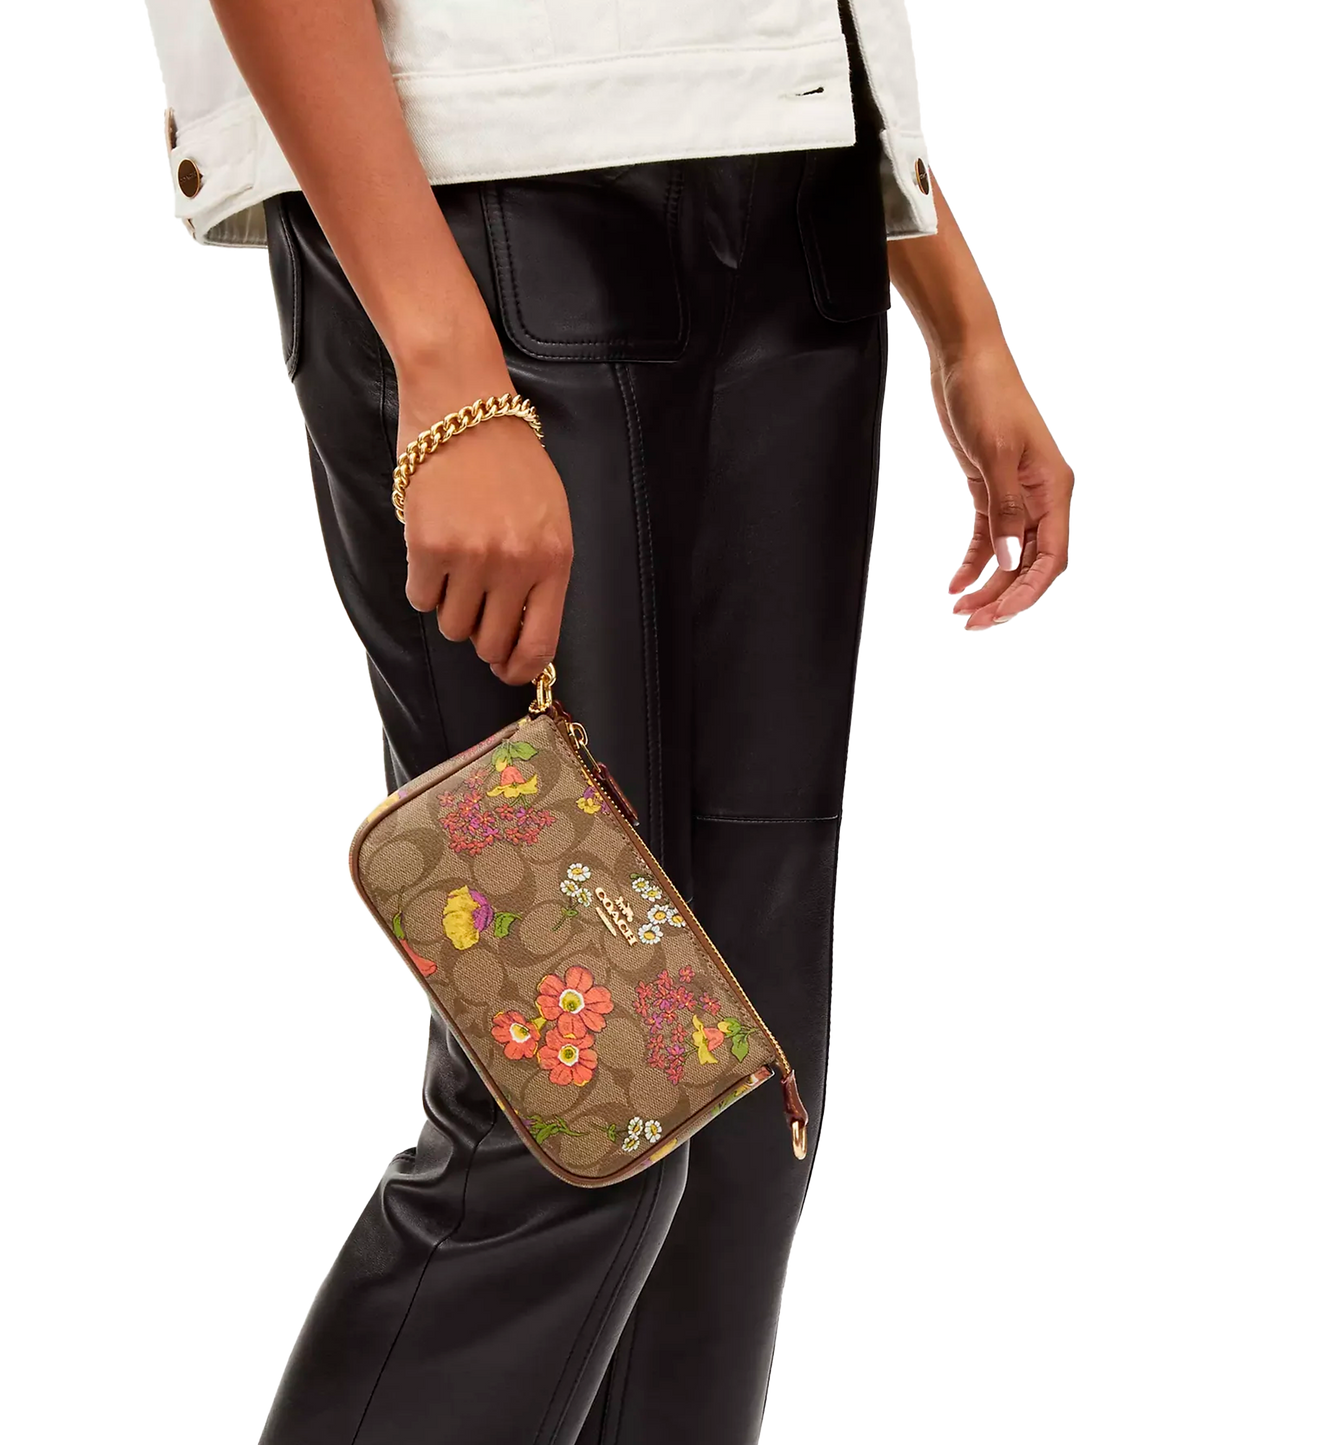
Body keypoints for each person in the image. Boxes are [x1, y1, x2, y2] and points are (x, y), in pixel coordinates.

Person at [139, 3, 1075, 1442]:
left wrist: (962, 312)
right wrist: (445, 366)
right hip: (480, 211)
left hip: (800, 208)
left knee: (746, 1106)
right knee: (578, 1102)